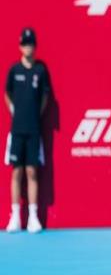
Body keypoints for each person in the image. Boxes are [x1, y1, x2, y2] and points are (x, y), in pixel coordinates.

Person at [4, 28, 50, 233]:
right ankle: (15, 217)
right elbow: (6, 93)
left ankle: (33, 217)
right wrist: (14, 110)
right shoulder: (14, 70)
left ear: (35, 46)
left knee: (32, 171)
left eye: (30, 44)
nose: (28, 47)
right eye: (24, 44)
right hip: (17, 129)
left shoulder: (40, 71)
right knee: (17, 171)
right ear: (20, 46)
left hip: (33, 129)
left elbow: (45, 97)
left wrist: (36, 114)